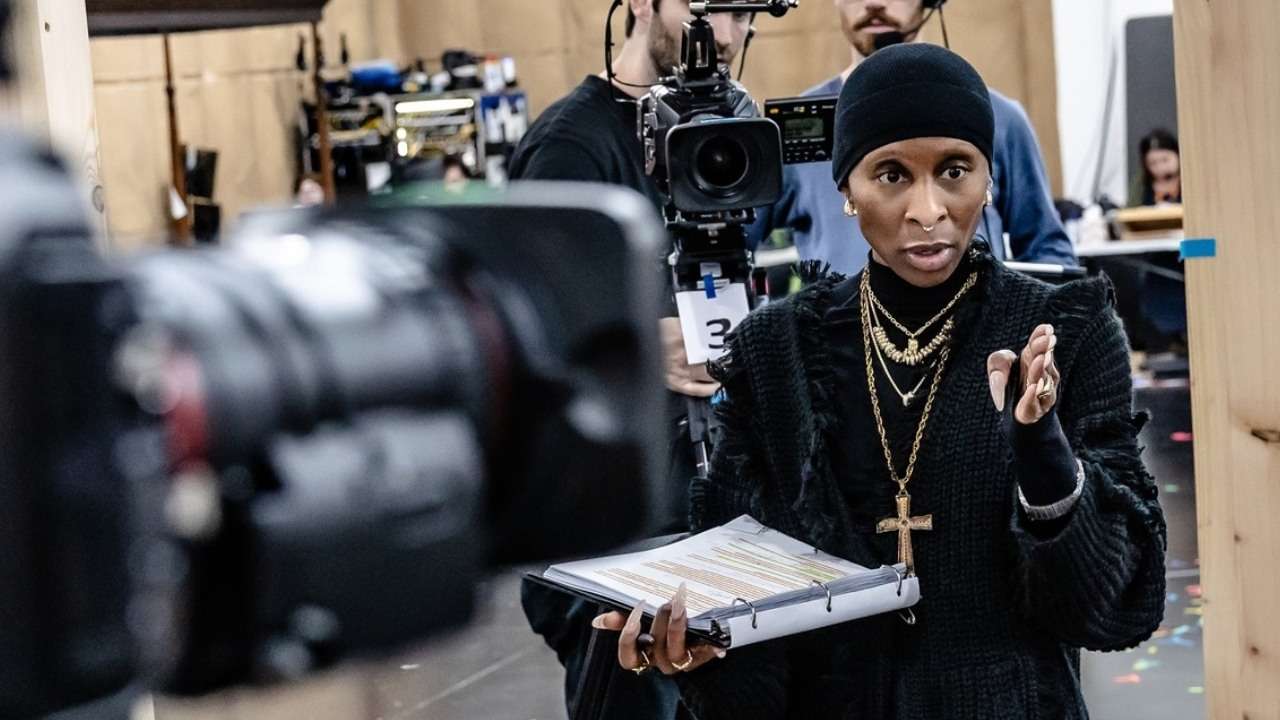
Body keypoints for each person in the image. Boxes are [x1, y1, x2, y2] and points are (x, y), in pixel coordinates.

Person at [595, 43, 1166, 719]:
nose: (928, 209)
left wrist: (1043, 456)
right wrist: (696, 643)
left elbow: (1109, 605)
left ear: (990, 178)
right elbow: (747, 608)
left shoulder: (1063, 329)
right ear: (845, 189)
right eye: (891, 174)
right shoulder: (776, 352)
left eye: (954, 170)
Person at [508, 2, 752, 716]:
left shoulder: (722, 134)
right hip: (609, 535)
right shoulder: (572, 145)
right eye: (707, 7)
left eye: (742, 12)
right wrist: (642, 343)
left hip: (706, 510)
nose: (726, 34)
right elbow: (522, 334)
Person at [750, 0, 1076, 274]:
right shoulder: (792, 129)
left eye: (953, 171)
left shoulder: (1000, 118)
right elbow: (734, 249)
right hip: (842, 330)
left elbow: (1047, 249)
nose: (874, 3)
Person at [1137, 128, 1181, 205]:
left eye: (1165, 160)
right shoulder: (1140, 186)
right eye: (1153, 163)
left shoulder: (1190, 181)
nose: (1160, 167)